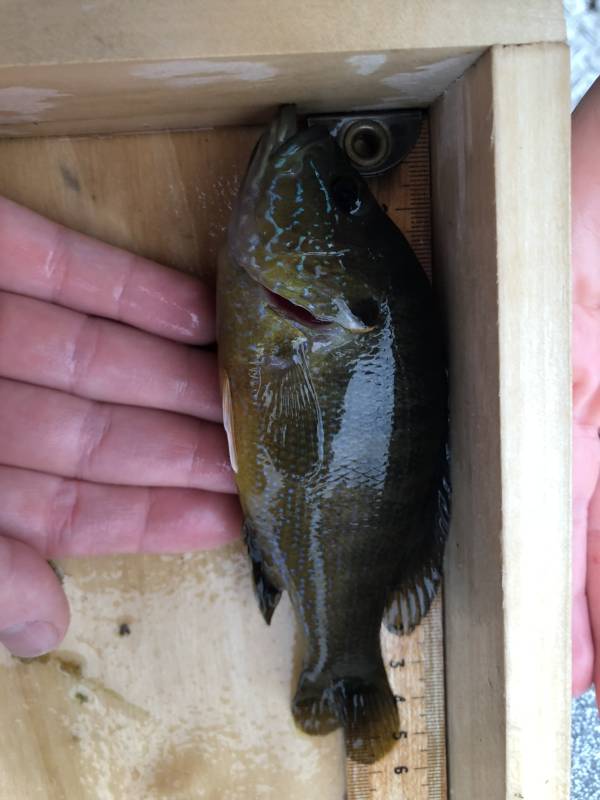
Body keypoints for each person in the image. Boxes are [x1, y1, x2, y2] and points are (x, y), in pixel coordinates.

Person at [0, 78, 598, 706]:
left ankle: (342, 662)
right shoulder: (308, 320)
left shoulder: (310, 327)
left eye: (344, 201)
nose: (334, 187)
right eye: (349, 198)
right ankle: (340, 659)